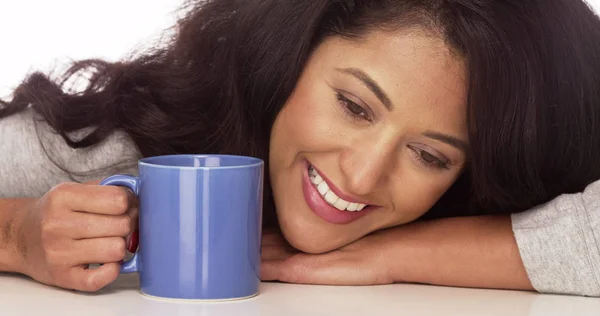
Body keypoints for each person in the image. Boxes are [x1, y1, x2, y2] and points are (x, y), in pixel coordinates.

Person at [0, 0, 599, 297]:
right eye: (355, 106)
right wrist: (16, 236)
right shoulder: (114, 156)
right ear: (288, 55)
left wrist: (393, 256)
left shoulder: (494, 193)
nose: (362, 177)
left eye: (431, 156)